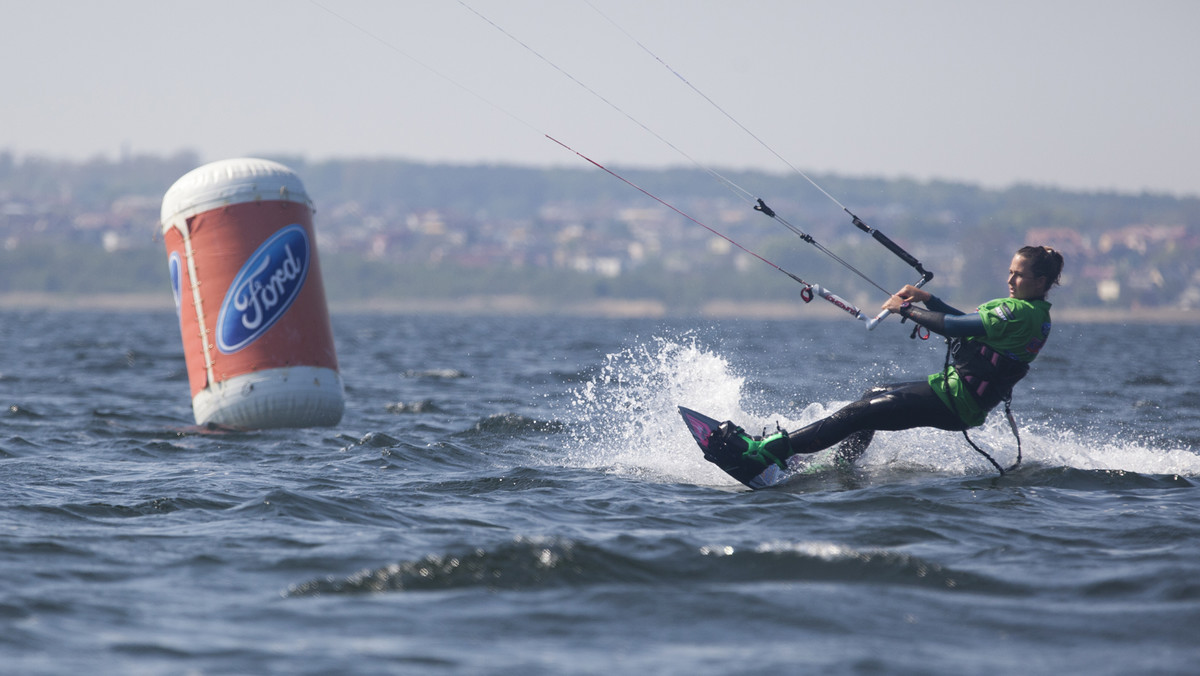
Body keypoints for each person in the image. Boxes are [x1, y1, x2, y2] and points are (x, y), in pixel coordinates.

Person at [703, 245, 1065, 487]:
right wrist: (929, 299)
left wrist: (906, 309)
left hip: (957, 399)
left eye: (1018, 275)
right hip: (957, 396)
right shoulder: (1033, 315)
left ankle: (765, 452)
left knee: (860, 413)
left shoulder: (1019, 311)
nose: (1010, 280)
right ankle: (836, 467)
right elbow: (969, 324)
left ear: (1041, 281)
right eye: (1010, 272)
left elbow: (954, 327)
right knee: (872, 397)